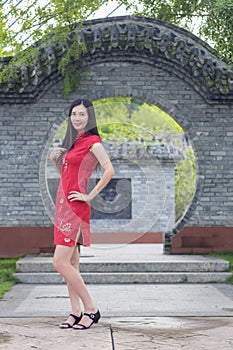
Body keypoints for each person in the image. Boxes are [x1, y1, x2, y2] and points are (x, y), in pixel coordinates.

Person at [50, 99, 114, 330]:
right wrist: (55, 162)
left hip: (76, 209)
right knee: (71, 263)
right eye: (74, 114)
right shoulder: (74, 142)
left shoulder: (92, 142)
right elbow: (67, 176)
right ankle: (75, 312)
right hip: (62, 206)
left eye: (82, 115)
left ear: (90, 118)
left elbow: (110, 169)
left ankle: (91, 309)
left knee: (59, 262)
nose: (77, 118)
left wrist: (90, 196)